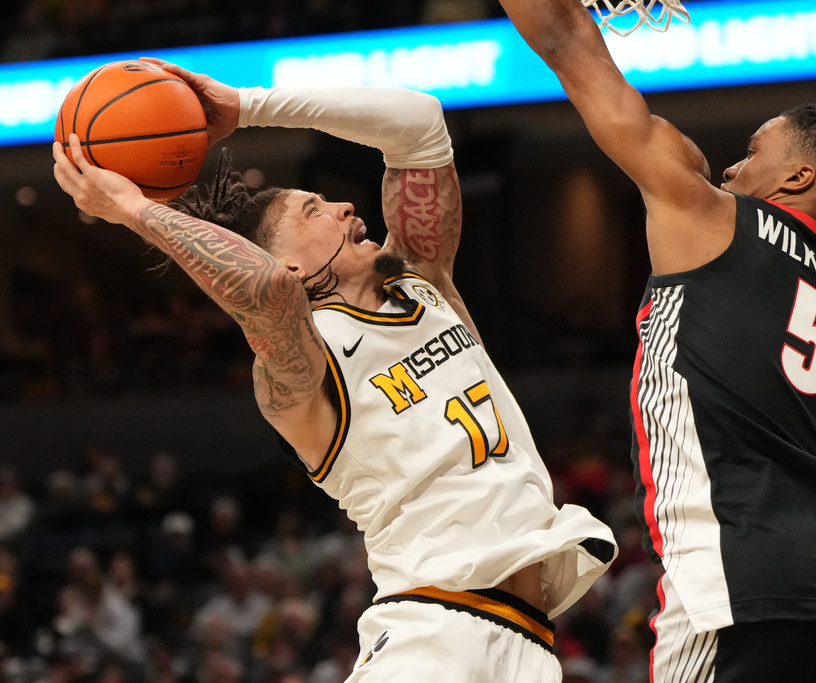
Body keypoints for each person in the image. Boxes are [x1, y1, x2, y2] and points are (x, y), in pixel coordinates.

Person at [52, 58, 617, 682]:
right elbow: (264, 287)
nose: (347, 206)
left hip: (526, 641)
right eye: (314, 209)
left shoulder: (424, 284)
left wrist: (248, 105)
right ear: (293, 265)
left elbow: (420, 123)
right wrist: (134, 209)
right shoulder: (301, 367)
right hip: (434, 635)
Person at [495, 1, 816, 681]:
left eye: (753, 152)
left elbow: (563, 37)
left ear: (798, 179)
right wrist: (812, 543)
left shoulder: (709, 215)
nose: (730, 169)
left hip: (734, 591)